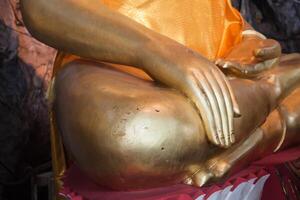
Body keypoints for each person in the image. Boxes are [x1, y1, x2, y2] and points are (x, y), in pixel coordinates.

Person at [20, 0, 300, 192]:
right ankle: (274, 89)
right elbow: (43, 6)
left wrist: (250, 40)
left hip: (218, 59)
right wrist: (157, 52)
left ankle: (263, 122)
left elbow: (219, 12)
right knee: (132, 133)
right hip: (110, 62)